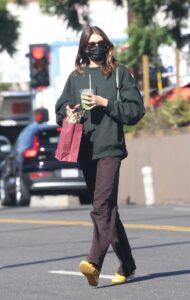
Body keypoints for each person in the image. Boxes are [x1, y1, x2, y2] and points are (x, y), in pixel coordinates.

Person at [55, 26, 145, 287]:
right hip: (85, 149)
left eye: (100, 42)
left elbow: (136, 110)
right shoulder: (76, 76)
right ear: (84, 48)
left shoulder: (119, 74)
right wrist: (68, 112)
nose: (96, 46)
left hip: (110, 148)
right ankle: (127, 264)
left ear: (107, 45)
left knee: (101, 207)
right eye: (91, 43)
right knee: (108, 211)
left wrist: (106, 103)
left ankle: (93, 261)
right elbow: (60, 106)